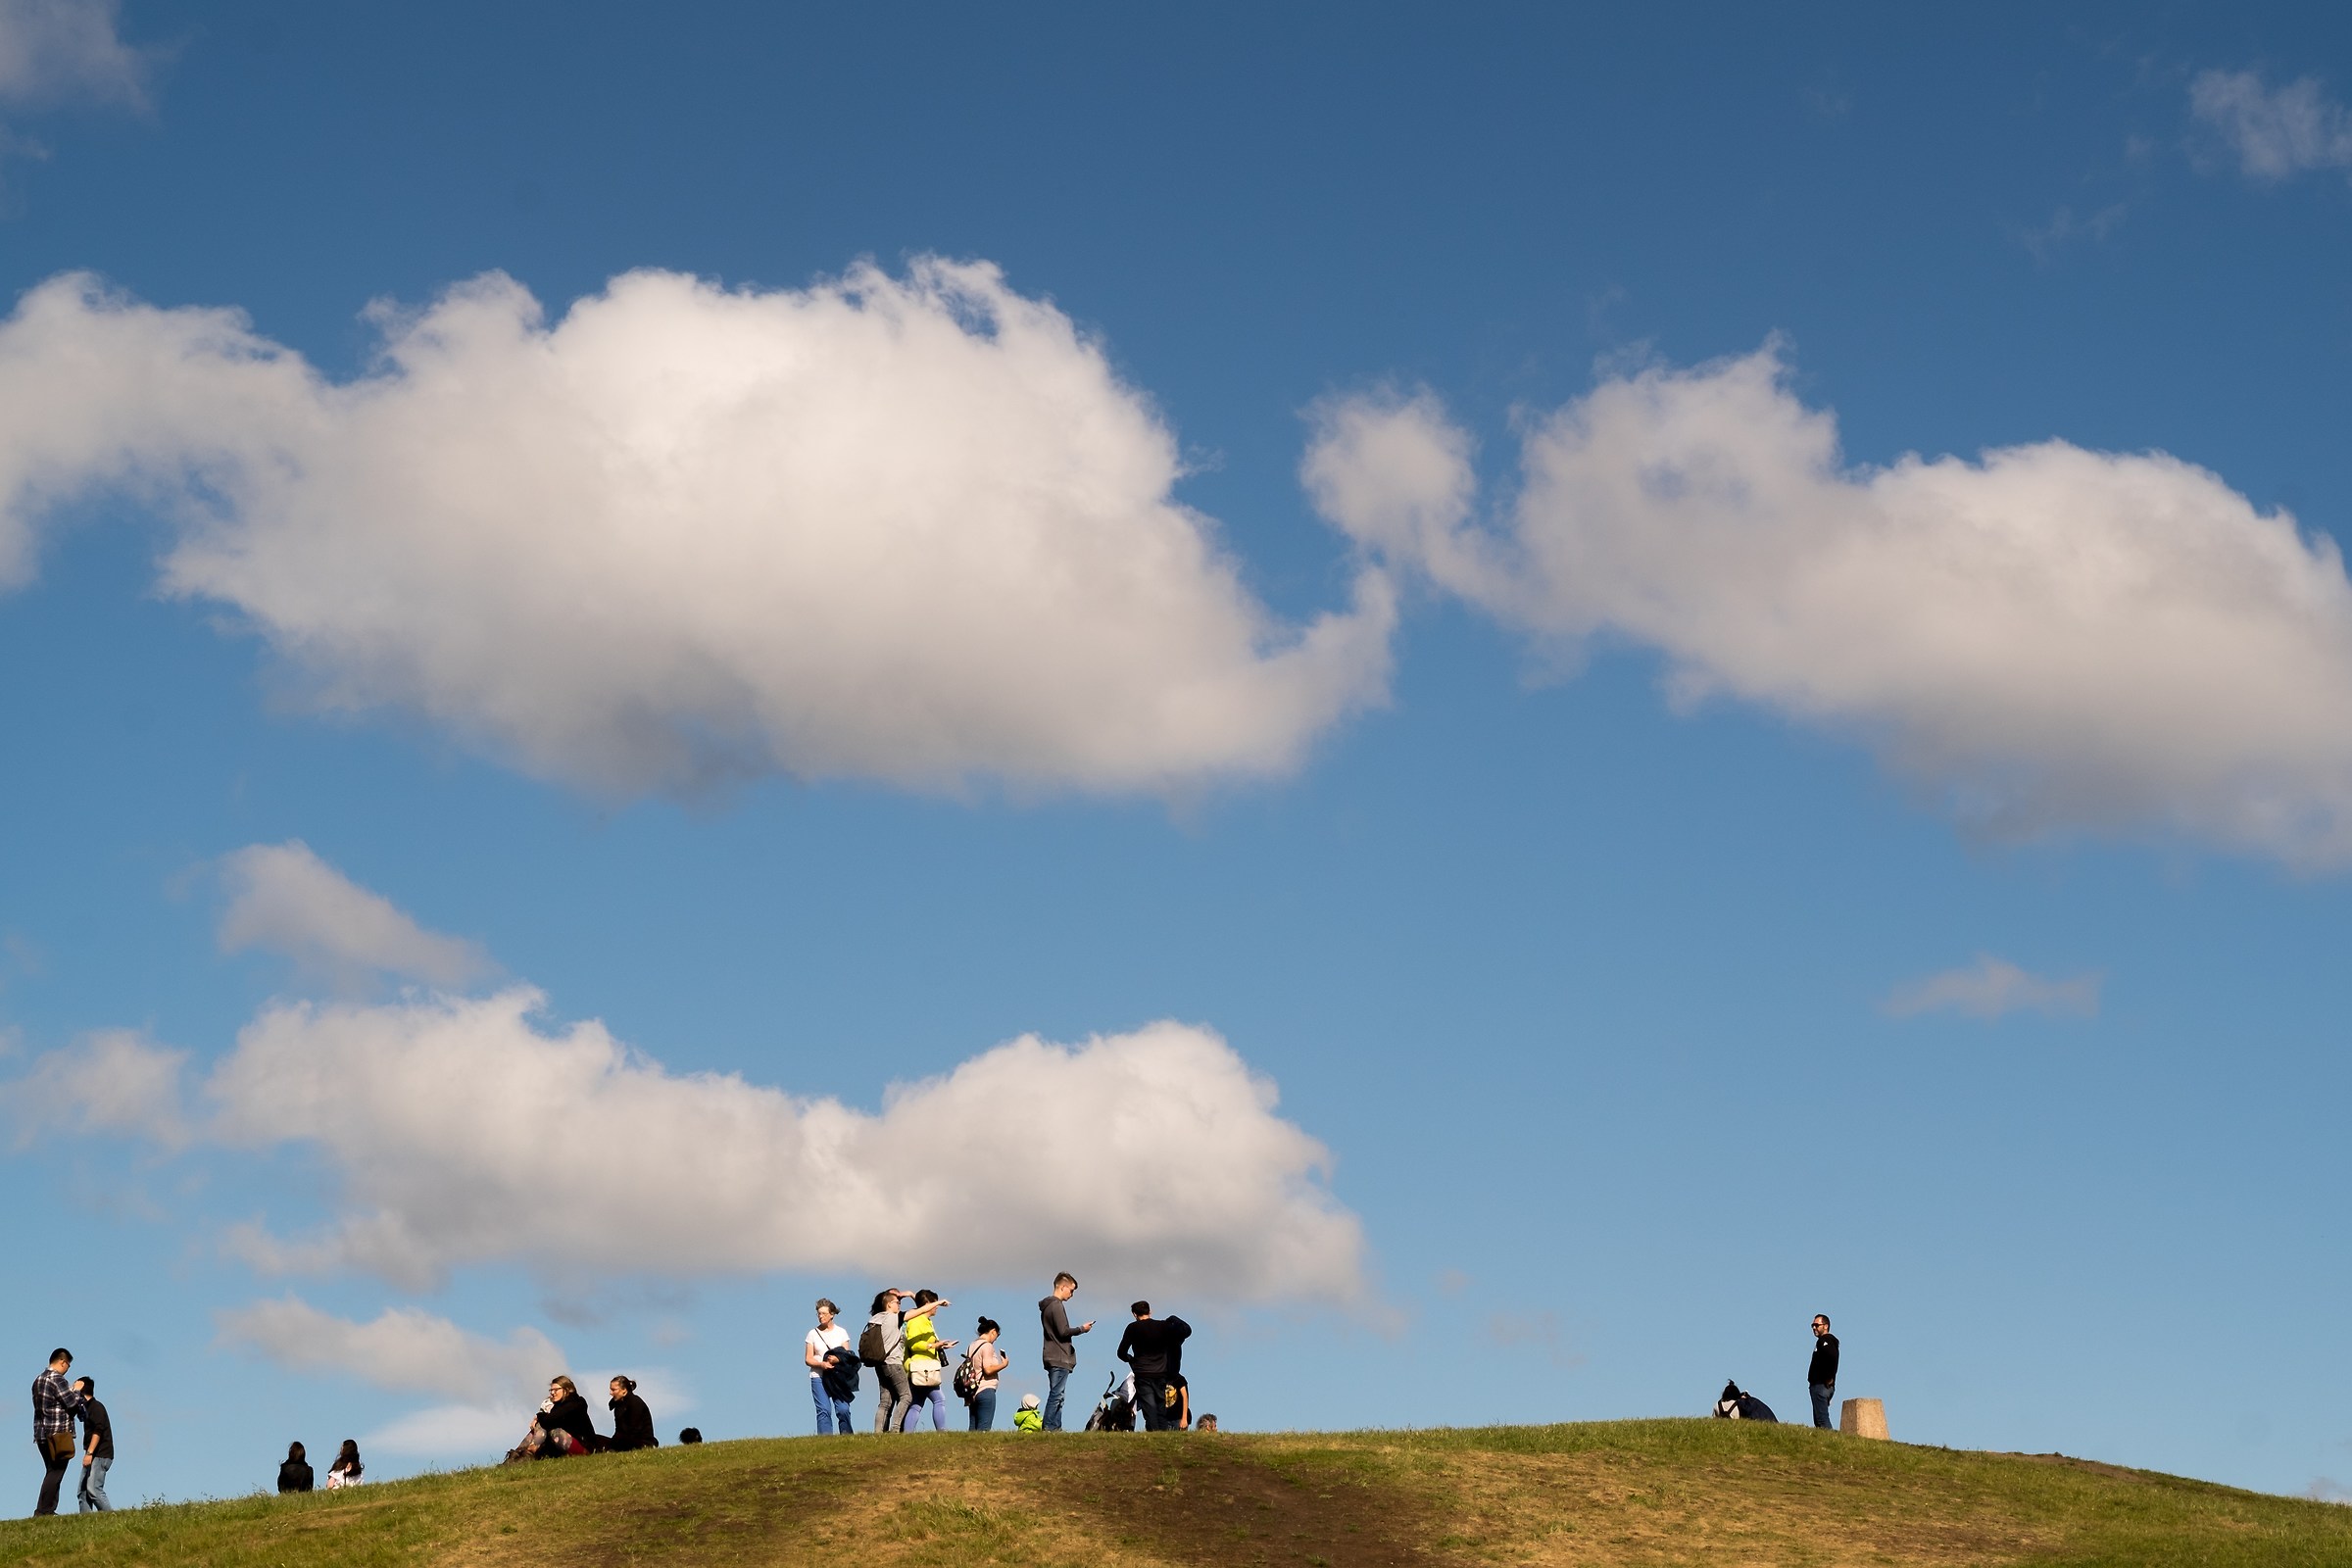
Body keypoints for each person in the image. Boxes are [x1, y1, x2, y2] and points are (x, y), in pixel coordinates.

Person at [1114, 1302, 1192, 1432]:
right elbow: (1186, 1331)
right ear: (1150, 1312)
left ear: (1134, 1314)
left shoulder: (1132, 1328)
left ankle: (1153, 1433)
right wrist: (1173, 1318)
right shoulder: (1163, 1326)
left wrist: (1132, 1360)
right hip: (1161, 1373)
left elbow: (1121, 1352)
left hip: (1142, 1374)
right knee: (1161, 1406)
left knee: (1149, 1406)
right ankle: (1162, 1434)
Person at [30, 1348, 87, 1517]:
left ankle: (48, 1510)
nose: (67, 1369)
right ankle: (43, 1510)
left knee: (51, 1470)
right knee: (56, 1471)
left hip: (41, 1433)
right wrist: (76, 1389)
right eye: (68, 1365)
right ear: (62, 1362)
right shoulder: (57, 1379)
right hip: (58, 1432)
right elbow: (71, 1403)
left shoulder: (38, 1380)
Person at [1037, 1272, 1095, 1432]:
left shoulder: (1047, 1306)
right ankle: (1049, 1426)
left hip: (1051, 1354)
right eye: (1071, 1290)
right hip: (1059, 1355)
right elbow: (1063, 1331)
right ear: (1062, 1287)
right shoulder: (1056, 1305)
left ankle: (1056, 1426)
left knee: (1058, 1394)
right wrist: (1082, 1329)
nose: (1072, 1294)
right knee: (1057, 1394)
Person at [900, 1290, 959, 1433]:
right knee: (939, 1400)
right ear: (927, 1304)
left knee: (916, 1404)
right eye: (935, 1303)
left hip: (922, 1367)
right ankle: (941, 1430)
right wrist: (934, 1345)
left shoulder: (924, 1320)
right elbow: (914, 1344)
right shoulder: (917, 1320)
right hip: (922, 1368)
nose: (937, 1307)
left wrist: (942, 1345)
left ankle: (908, 1433)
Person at [864, 1289, 913, 1434]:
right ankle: (895, 1429)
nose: (899, 1304)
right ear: (888, 1304)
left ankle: (878, 1433)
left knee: (885, 1402)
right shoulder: (894, 1317)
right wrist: (912, 1295)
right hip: (893, 1363)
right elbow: (921, 1310)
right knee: (906, 1396)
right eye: (897, 1302)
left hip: (880, 1363)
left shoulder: (875, 1319)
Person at [805, 1298, 855, 1435]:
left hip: (837, 1377)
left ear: (832, 1314)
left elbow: (847, 1355)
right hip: (818, 1377)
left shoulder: (841, 1332)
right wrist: (821, 1364)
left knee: (843, 1409)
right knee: (824, 1410)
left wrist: (837, 1359)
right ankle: (825, 1441)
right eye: (819, 1314)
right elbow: (808, 1359)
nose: (821, 1316)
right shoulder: (812, 1334)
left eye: (824, 1313)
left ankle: (847, 1437)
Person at [960, 1317, 1008, 1432]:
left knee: (973, 1428)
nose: (995, 1339)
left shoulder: (971, 1346)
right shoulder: (987, 1346)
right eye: (997, 1335)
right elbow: (987, 1370)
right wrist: (1004, 1364)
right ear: (993, 1331)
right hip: (986, 1389)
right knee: (984, 1429)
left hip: (972, 1392)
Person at [72, 1376, 111, 1512]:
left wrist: (89, 1453)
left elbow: (98, 1431)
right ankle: (86, 1524)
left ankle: (112, 1518)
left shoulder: (96, 1407)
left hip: (100, 1454)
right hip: (92, 1453)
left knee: (93, 1489)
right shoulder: (86, 1409)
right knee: (82, 1492)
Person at [536, 1375, 596, 1456]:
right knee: (540, 1426)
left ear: (566, 1389)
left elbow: (549, 1420)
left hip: (582, 1444)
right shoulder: (557, 1405)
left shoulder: (577, 1402)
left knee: (554, 1431)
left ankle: (532, 1452)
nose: (552, 1393)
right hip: (561, 1446)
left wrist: (539, 1416)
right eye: (551, 1390)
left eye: (556, 1390)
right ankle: (522, 1453)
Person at [608, 1376, 658, 1451]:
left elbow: (634, 1430)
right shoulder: (618, 1405)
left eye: (613, 1390)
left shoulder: (635, 1403)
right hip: (625, 1440)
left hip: (642, 1442)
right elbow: (618, 1430)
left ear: (624, 1390)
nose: (610, 1393)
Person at [1808, 1315, 1839, 1431]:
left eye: (1817, 1325)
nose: (1814, 1328)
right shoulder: (1824, 1341)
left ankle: (1831, 1443)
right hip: (1823, 1386)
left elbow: (1831, 1357)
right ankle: (1823, 1444)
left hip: (1821, 1385)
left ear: (1825, 1326)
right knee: (1819, 1419)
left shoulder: (1825, 1340)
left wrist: (1828, 1378)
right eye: (1812, 1325)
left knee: (1822, 1420)